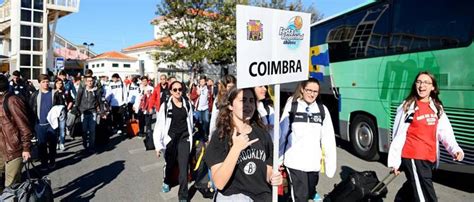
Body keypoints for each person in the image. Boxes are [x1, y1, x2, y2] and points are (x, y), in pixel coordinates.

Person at [388, 71, 464, 202]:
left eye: (426, 82)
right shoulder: (408, 107)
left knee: (414, 188)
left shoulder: (436, 108)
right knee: (427, 197)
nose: (421, 85)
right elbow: (398, 134)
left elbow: (445, 132)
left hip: (429, 158)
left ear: (433, 87)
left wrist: (455, 149)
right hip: (413, 156)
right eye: (419, 82)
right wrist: (395, 162)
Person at [204, 87, 282, 201]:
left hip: (262, 196)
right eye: (243, 100)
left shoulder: (262, 133)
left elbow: (268, 170)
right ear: (230, 105)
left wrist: (273, 177)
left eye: (251, 101)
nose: (248, 105)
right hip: (234, 197)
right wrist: (236, 149)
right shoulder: (221, 136)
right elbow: (219, 183)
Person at [279, 78, 337, 202]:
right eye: (309, 90)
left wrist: (329, 162)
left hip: (313, 163)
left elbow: (328, 138)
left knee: (310, 192)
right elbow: (282, 134)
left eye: (315, 91)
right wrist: (278, 159)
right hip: (294, 162)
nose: (312, 94)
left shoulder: (322, 110)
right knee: (301, 197)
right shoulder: (292, 106)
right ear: (302, 89)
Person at [153, 81, 194, 201]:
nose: (178, 92)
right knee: (170, 164)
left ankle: (183, 196)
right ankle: (166, 181)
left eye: (180, 89)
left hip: (184, 138)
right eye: (175, 90)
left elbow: (190, 121)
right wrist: (158, 145)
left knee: (183, 167)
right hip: (170, 139)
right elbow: (159, 126)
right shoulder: (165, 106)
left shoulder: (187, 104)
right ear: (171, 91)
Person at [0, 75, 32, 190]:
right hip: (1, 149)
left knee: (11, 187)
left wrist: (26, 148)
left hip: (13, 149)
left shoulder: (12, 100)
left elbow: (24, 127)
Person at [30, 74, 57, 170]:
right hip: (39, 124)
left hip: (52, 124)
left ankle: (52, 161)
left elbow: (61, 107)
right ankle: (44, 163)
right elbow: (31, 110)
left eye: (47, 82)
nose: (46, 84)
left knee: (52, 144)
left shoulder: (54, 93)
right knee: (42, 145)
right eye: (43, 82)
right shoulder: (35, 95)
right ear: (39, 83)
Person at [77, 75, 103, 152]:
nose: (90, 82)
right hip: (83, 112)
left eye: (91, 81)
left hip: (93, 112)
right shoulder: (82, 90)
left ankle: (91, 146)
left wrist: (102, 112)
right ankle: (85, 142)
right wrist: (77, 109)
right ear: (85, 82)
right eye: (88, 81)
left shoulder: (96, 91)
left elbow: (100, 102)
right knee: (84, 130)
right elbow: (78, 100)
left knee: (92, 130)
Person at [209, 75, 236, 140]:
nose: (231, 89)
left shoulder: (238, 97)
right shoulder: (219, 99)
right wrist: (211, 135)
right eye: (229, 87)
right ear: (224, 87)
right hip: (223, 129)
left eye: (233, 87)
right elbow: (214, 117)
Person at [52, 78, 73, 151]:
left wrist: (67, 108)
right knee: (55, 128)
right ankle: (56, 143)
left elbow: (71, 101)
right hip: (54, 111)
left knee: (62, 128)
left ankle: (62, 143)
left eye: (61, 83)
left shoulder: (65, 92)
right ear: (55, 84)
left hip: (63, 111)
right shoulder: (53, 92)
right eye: (58, 83)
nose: (59, 85)